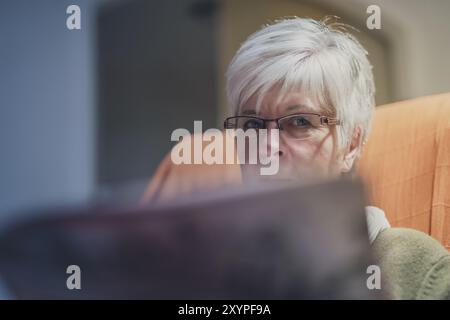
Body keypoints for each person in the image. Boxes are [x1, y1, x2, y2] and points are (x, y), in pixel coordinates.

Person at [223, 17, 450, 299]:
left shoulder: (410, 265)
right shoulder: (208, 261)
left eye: (301, 122)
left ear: (351, 145)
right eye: (253, 125)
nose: (268, 148)